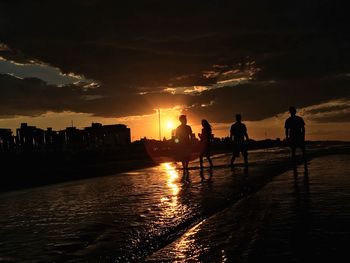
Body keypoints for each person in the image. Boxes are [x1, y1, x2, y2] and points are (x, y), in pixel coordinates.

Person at [175, 115, 193, 180]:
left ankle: (186, 167)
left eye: (186, 119)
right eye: (185, 119)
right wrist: (177, 143)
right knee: (183, 156)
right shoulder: (178, 128)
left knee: (187, 156)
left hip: (187, 143)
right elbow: (176, 137)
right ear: (181, 120)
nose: (186, 120)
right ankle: (184, 167)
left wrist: (191, 141)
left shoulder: (188, 127)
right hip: (181, 144)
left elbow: (191, 135)